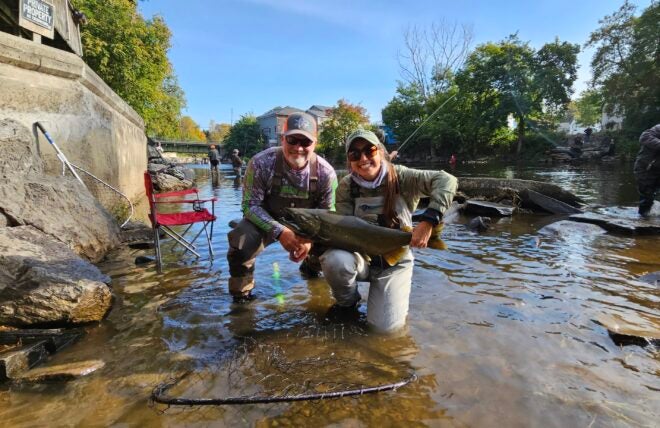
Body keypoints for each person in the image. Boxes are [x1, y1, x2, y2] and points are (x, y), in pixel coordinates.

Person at [320, 129, 457, 333]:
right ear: (349, 160)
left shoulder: (401, 176)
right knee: (333, 259)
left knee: (384, 333)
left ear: (381, 152)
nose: (363, 158)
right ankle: (347, 304)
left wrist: (429, 221)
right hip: (362, 258)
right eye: (354, 154)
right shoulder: (346, 187)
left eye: (369, 150)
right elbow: (343, 231)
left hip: (395, 263)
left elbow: (447, 180)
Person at [227, 112, 338, 303]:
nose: (298, 148)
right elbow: (249, 206)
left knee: (332, 243)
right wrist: (280, 232)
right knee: (240, 239)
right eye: (292, 140)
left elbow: (328, 216)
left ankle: (311, 267)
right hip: (266, 220)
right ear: (282, 139)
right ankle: (242, 297)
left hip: (307, 225)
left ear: (315, 144)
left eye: (305, 142)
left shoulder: (326, 173)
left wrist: (309, 241)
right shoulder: (260, 163)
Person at [633, 124, 660, 217]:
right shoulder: (658, 128)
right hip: (645, 169)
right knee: (646, 198)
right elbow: (644, 136)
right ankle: (643, 222)